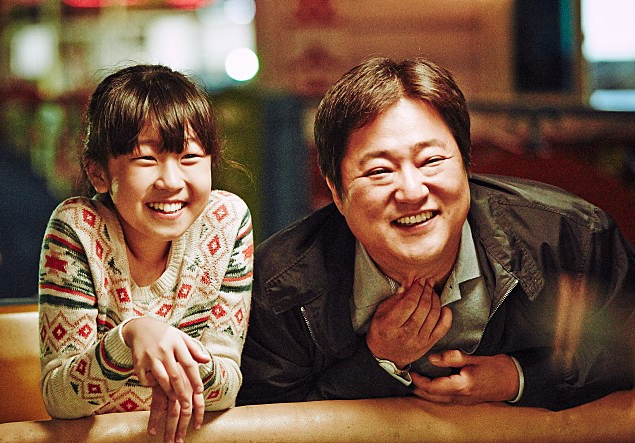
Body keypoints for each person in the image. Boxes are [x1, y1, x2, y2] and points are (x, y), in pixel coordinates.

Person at [237, 56, 635, 411]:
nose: (412, 192)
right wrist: (378, 363)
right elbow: (263, 423)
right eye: (379, 171)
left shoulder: (570, 238)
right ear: (337, 192)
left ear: (466, 163)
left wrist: (518, 378)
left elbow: (626, 351)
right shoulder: (280, 287)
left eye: (431, 161)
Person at [38, 64, 253, 443]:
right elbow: (60, 398)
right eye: (146, 159)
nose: (171, 181)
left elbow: (225, 388)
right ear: (98, 173)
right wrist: (131, 337)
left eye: (189, 157)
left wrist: (165, 356)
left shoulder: (227, 221)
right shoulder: (78, 228)